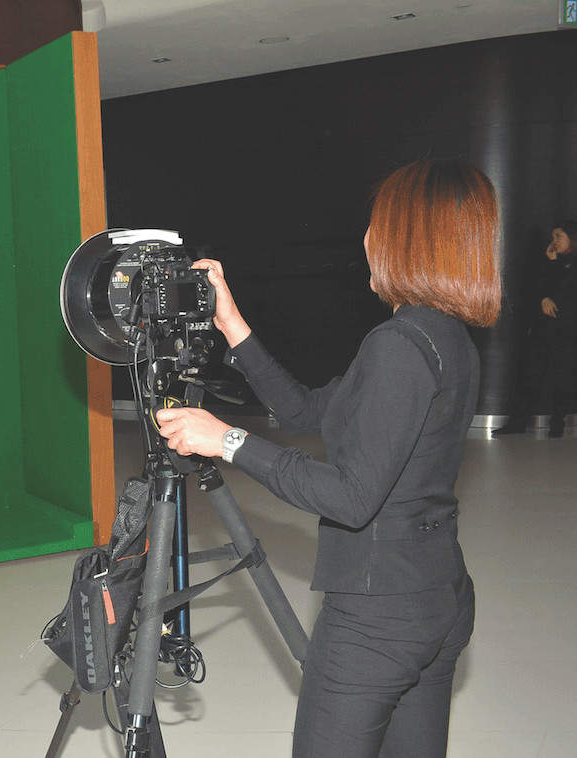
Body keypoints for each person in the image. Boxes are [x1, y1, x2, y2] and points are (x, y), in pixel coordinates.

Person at [154, 159, 498, 757]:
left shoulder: (397, 346)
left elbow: (349, 496)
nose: (366, 237)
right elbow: (306, 412)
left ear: (406, 238)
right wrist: (231, 323)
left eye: (376, 223)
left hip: (377, 620)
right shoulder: (444, 336)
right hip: (436, 598)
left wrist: (225, 440)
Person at [493, 220, 576, 438]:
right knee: (530, 374)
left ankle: (557, 425)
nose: (554, 242)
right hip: (544, 328)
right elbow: (538, 288)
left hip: (567, 330)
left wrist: (550, 297)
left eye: (559, 236)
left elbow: (565, 290)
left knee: (563, 378)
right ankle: (518, 422)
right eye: (553, 237)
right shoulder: (550, 262)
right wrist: (549, 267)